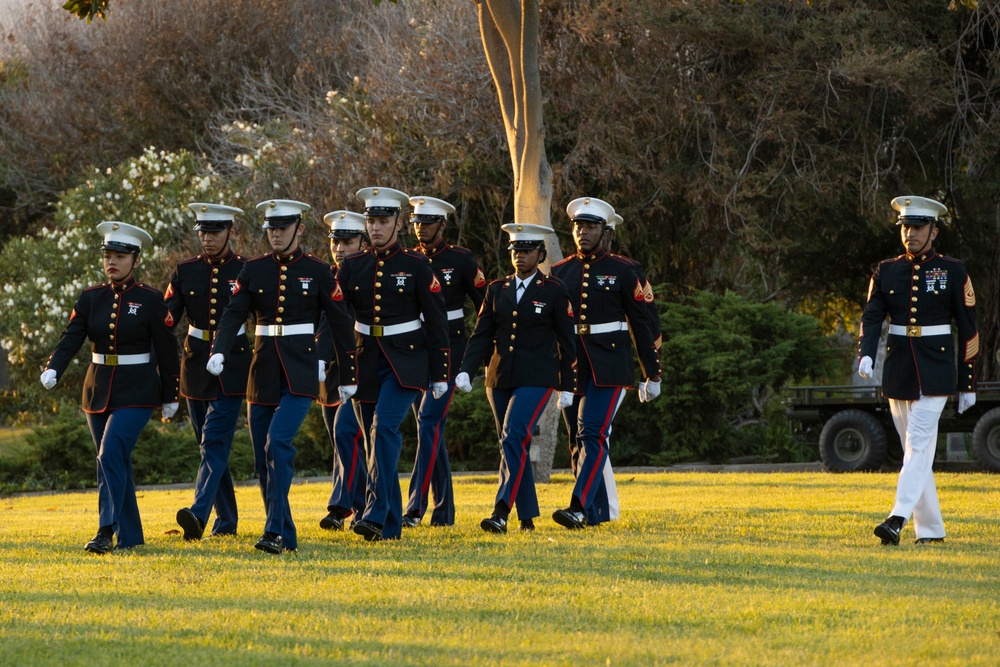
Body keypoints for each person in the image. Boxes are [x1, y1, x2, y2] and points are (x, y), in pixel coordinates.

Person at [207, 199, 357, 554]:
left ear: (299, 229)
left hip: (301, 372)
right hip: (262, 372)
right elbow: (233, 315)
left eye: (283, 228)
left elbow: (340, 325)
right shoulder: (253, 270)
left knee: (278, 442)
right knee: (262, 459)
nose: (276, 234)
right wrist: (219, 349)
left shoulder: (318, 271)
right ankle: (285, 536)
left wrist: (348, 374)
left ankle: (272, 530)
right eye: (271, 228)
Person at [40, 221, 180, 554]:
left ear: (135, 259)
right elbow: (72, 335)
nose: (111, 262)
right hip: (98, 390)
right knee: (114, 461)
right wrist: (54, 367)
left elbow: (167, 349)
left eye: (119, 255)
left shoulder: (150, 299)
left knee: (110, 452)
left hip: (138, 391)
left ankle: (105, 530)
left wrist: (171, 395)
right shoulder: (91, 297)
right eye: (107, 256)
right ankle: (131, 536)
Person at [858, 195, 978, 546]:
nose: (910, 233)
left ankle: (896, 518)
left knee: (918, 443)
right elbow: (872, 316)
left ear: (934, 231)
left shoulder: (953, 270)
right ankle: (932, 531)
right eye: (906, 227)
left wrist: (967, 382)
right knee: (916, 452)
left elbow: (968, 328)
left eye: (918, 227)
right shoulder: (886, 269)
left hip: (937, 368)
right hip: (899, 368)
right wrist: (866, 354)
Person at [336, 186, 450, 541]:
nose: (376, 228)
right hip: (364, 361)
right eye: (371, 221)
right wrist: (332, 362)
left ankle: (372, 512)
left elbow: (436, 320)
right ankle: (390, 526)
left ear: (398, 223)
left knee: (383, 429)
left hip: (406, 362)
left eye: (383, 221)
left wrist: (440, 373)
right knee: (374, 442)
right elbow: (336, 316)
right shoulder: (352, 265)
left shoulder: (416, 265)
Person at [455, 223, 577, 534]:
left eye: (526, 251)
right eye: (515, 251)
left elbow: (568, 342)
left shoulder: (553, 290)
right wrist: (466, 369)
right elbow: (481, 334)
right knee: (513, 443)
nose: (519, 257)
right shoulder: (497, 289)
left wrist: (569, 385)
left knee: (513, 435)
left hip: (537, 378)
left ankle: (500, 511)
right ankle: (527, 518)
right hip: (498, 378)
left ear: (540, 254)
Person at [551, 197, 662, 530]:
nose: (582, 233)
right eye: (578, 226)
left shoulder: (625, 270)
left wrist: (652, 373)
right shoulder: (560, 271)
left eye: (591, 227)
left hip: (610, 363)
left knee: (592, 432)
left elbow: (644, 323)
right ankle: (594, 514)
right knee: (576, 440)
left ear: (606, 232)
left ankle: (576, 506)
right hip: (572, 366)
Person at [402, 195, 487, 528]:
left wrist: (475, 354)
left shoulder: (461, 260)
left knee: (427, 422)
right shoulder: (407, 259)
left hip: (450, 350)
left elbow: (487, 308)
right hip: (413, 350)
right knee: (430, 431)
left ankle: (414, 507)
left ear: (443, 224)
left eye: (428, 222)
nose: (421, 228)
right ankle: (445, 512)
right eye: (417, 222)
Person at [167, 202, 249, 541]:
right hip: (195, 364)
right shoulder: (186, 271)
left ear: (231, 232)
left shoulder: (246, 270)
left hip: (233, 363)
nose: (208, 238)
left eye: (215, 232)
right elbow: (167, 318)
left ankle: (199, 514)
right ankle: (227, 521)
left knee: (214, 440)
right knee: (210, 446)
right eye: (203, 232)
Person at [316, 210, 369, 531]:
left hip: (360, 367)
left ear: (362, 242)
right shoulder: (323, 276)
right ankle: (363, 507)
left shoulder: (368, 275)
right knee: (344, 444)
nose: (339, 247)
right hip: (328, 373)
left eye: (347, 241)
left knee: (346, 432)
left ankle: (340, 507)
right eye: (335, 240)